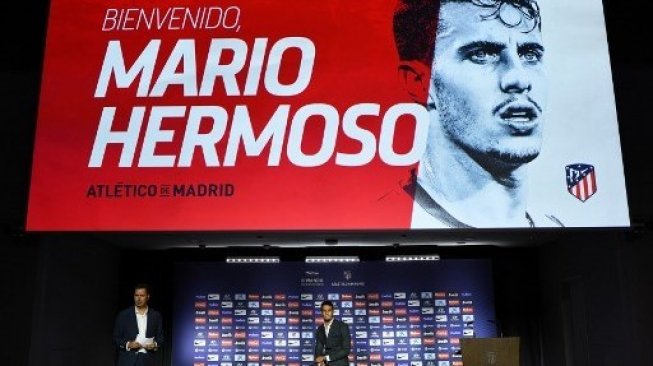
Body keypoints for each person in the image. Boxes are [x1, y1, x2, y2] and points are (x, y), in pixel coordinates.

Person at [393, 0, 562, 228]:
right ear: (419, 83)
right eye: (481, 54)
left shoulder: (554, 227)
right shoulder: (386, 220)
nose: (519, 79)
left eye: (529, 55)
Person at [113, 284, 164, 366]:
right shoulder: (123, 315)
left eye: (142, 295)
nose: (138, 298)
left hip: (147, 361)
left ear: (148, 297)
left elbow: (161, 338)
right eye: (136, 295)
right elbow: (116, 338)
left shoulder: (156, 316)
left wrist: (155, 344)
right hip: (127, 361)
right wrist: (128, 344)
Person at [314, 300, 351, 366]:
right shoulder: (320, 329)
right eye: (324, 311)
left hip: (340, 363)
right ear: (321, 312)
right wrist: (319, 361)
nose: (327, 313)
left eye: (329, 310)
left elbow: (346, 350)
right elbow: (318, 348)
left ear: (333, 311)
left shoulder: (342, 326)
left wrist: (326, 358)